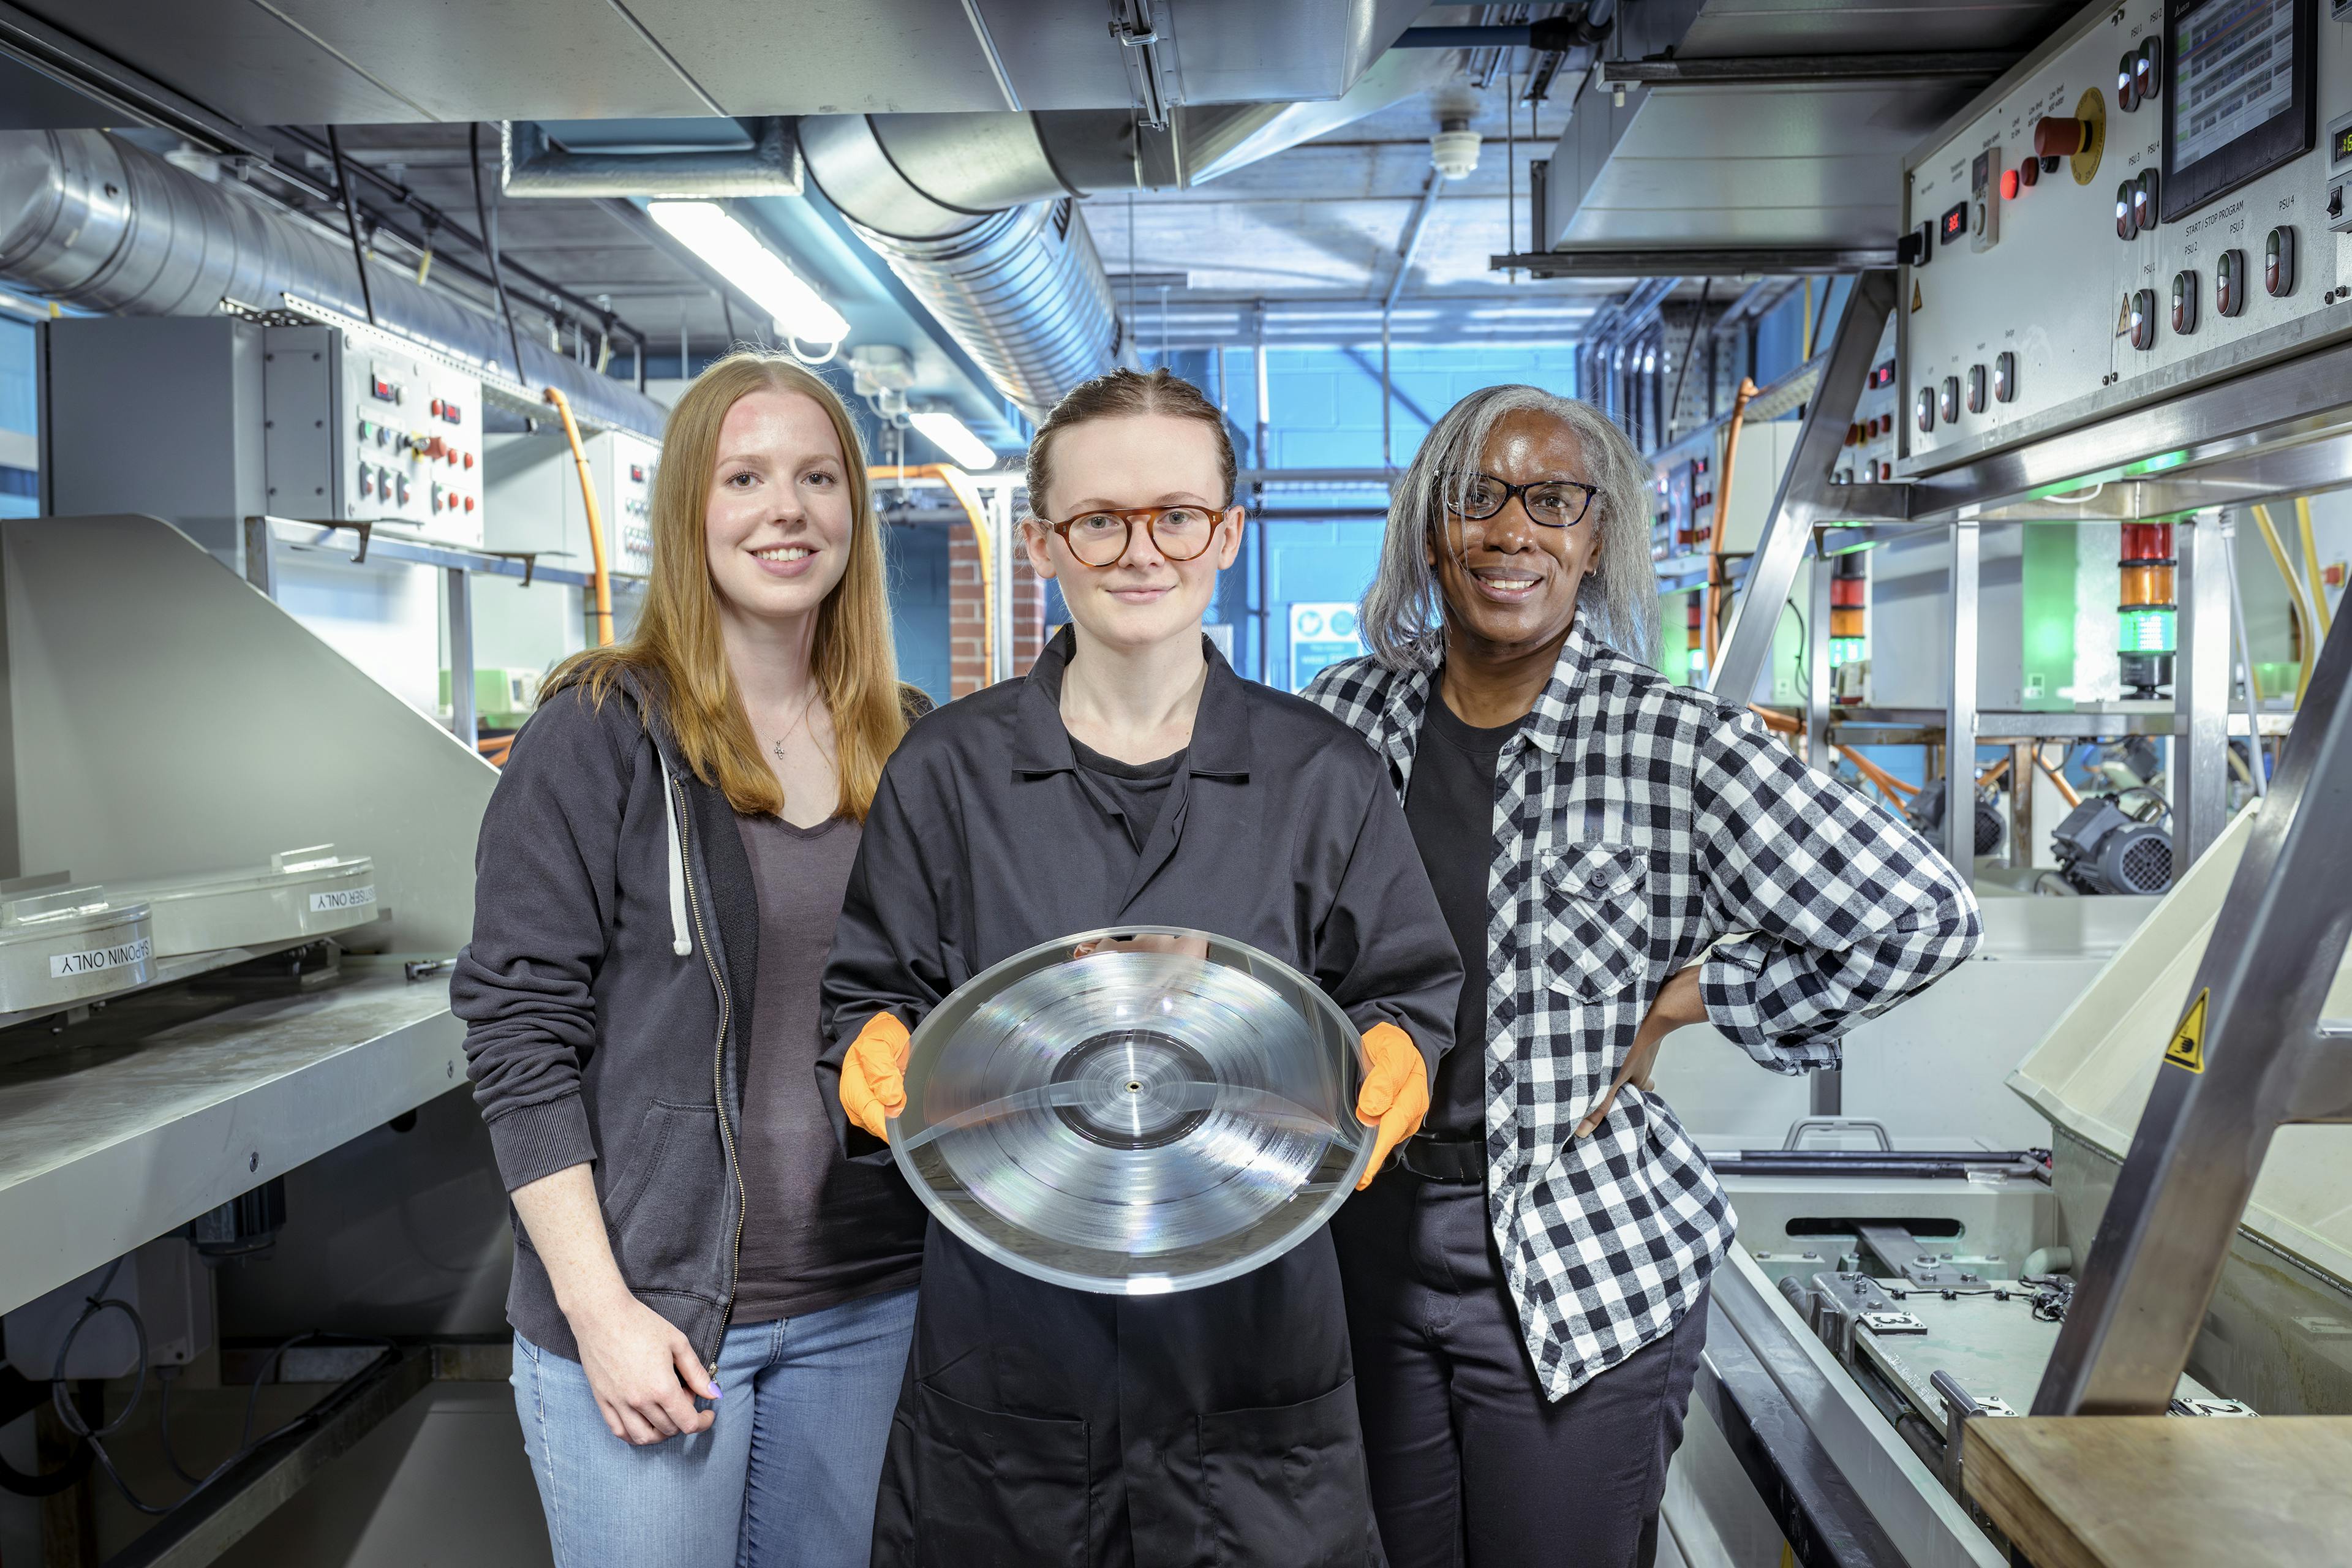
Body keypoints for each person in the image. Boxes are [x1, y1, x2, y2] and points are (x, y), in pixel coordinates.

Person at [1305, 385, 1981, 1568]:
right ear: (1429, 529)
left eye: (1553, 502)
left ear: (1597, 537)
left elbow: (1923, 917)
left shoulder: (1679, 743)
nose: (1512, 531)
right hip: (1365, 1237)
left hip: (1575, 1251)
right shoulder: (1347, 719)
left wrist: (1692, 997)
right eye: (1477, 497)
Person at [818, 367, 1462, 1567]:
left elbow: (1408, 985)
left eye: (1175, 515)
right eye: (1098, 519)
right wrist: (868, 1047)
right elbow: (872, 991)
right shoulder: (945, 775)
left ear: (1226, 532)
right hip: (1010, 1364)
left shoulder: (1321, 774)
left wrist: (1399, 1051)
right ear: (1042, 541)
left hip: (1252, 1365)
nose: (1138, 550)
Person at [452, 351, 932, 1567]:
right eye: (748, 476)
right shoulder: (601, 732)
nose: (789, 508)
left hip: (868, 1298)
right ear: (688, 512)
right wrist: (598, 1309)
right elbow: (518, 1038)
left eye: (819, 477)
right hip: (655, 1303)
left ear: (852, 517)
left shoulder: (911, 742)